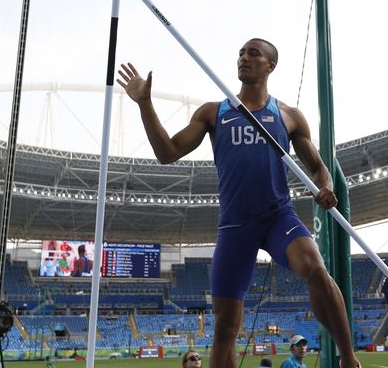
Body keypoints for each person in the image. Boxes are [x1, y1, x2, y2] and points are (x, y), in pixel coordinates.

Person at [117, 38, 361, 368]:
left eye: (253, 53)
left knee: (316, 270)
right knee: (226, 328)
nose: (244, 58)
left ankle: (347, 357)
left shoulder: (288, 116)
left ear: (269, 66)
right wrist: (145, 104)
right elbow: (167, 152)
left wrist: (326, 187)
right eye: (241, 53)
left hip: (278, 217)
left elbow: (318, 167)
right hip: (235, 227)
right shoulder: (214, 112)